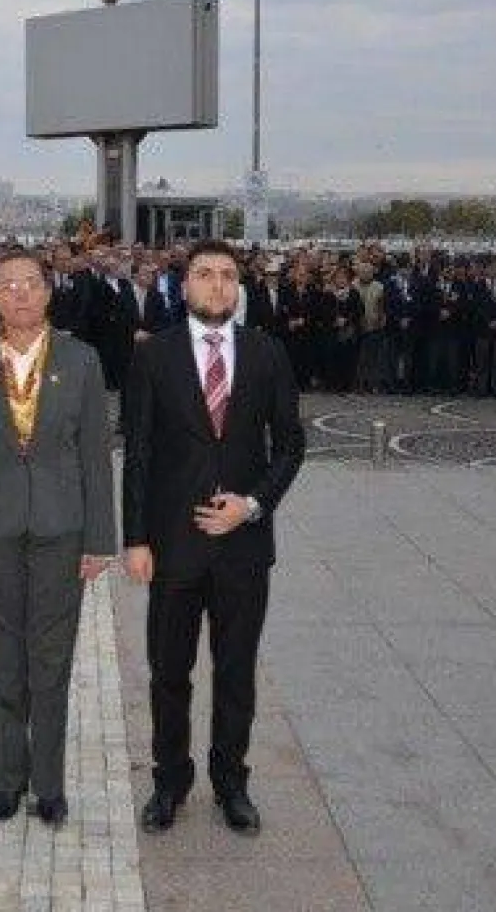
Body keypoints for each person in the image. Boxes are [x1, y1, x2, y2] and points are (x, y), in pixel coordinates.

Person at [122, 239, 306, 836]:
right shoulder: (154, 356)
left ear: (239, 287)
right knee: (169, 673)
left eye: (228, 276)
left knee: (236, 673)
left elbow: (291, 444)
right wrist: (137, 539)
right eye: (205, 275)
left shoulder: (266, 352)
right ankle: (169, 781)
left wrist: (253, 505)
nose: (218, 286)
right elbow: (140, 454)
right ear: (185, 284)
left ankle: (232, 782)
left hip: (244, 549)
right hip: (174, 546)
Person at [0, 248, 116, 828]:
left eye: (30, 283)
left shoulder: (81, 360)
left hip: (60, 529)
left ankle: (48, 784)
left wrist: (100, 539)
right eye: (7, 285)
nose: (19, 293)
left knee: (51, 659)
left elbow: (95, 453)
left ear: (49, 292)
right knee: (4, 657)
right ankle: (8, 780)